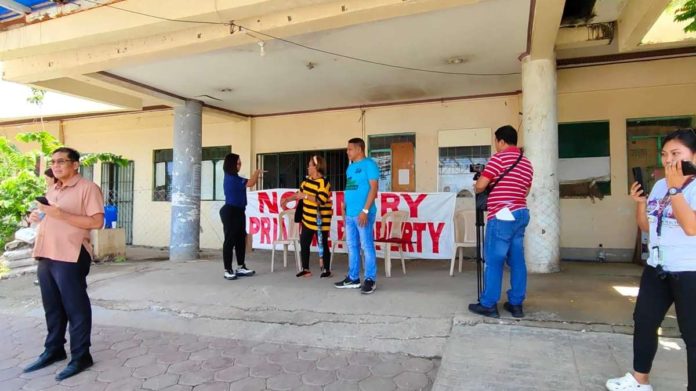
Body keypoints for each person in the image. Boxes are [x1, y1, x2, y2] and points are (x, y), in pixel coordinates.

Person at [606, 128, 696, 391]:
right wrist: (641, 202)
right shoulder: (659, 185)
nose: (668, 160)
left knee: (692, 336)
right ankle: (639, 379)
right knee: (644, 322)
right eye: (665, 154)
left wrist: (676, 189)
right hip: (657, 267)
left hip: (690, 271)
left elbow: (691, 227)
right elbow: (646, 226)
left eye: (676, 154)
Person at [24, 147, 105, 381]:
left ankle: (81, 356)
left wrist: (59, 214)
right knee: (52, 306)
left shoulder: (87, 188)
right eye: (53, 162)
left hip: (71, 254)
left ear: (76, 164)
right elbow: (49, 215)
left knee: (75, 307)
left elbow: (97, 222)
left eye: (62, 161)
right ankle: (54, 349)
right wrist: (36, 216)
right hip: (46, 253)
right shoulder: (53, 188)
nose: (56, 166)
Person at [468, 125, 534, 318]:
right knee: (517, 261)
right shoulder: (526, 162)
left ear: (502, 141)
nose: (496, 145)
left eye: (496, 141)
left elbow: (480, 186)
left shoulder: (499, 158)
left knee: (494, 260)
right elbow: (526, 191)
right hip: (521, 213)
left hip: (502, 215)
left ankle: (488, 304)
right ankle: (516, 304)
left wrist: (478, 185)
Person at [334, 138, 379, 294]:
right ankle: (353, 278)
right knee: (352, 246)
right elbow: (350, 188)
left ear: (359, 149)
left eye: (350, 149)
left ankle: (370, 279)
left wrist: (365, 210)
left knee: (367, 246)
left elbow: (374, 189)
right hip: (350, 214)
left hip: (363, 214)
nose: (347, 152)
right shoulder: (350, 168)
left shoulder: (370, 165)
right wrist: (344, 205)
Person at [281, 155, 333, 278]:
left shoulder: (324, 183)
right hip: (307, 220)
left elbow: (321, 200)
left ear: (316, 167)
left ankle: (326, 269)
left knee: (323, 244)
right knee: (304, 243)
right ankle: (306, 269)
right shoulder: (306, 181)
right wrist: (287, 199)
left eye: (310, 165)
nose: (308, 167)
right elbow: (298, 194)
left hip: (321, 221)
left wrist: (305, 196)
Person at [220, 153, 260, 280]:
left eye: (240, 163)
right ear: (231, 164)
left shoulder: (236, 178)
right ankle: (227, 269)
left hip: (239, 211)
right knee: (229, 241)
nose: (240, 165)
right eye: (238, 163)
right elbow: (251, 183)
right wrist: (257, 172)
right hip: (231, 211)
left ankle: (241, 266)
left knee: (240, 239)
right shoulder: (232, 178)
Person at [33, 168, 58, 286]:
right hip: (46, 228)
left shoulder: (59, 192)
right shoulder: (51, 191)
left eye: (47, 178)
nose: (46, 181)